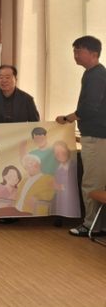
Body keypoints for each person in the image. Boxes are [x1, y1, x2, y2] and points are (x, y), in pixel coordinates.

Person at [56, 35, 106, 237]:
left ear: (93, 53)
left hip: (96, 136)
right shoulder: (92, 73)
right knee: (97, 181)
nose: (75, 55)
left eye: (79, 51)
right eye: (74, 51)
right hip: (96, 135)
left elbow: (89, 108)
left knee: (91, 182)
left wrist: (67, 118)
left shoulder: (97, 75)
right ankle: (99, 224)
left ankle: (90, 225)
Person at [51, 141, 80, 217]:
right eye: (57, 152)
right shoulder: (57, 169)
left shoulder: (75, 165)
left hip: (73, 203)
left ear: (67, 151)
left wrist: (61, 187)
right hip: (60, 203)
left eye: (62, 151)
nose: (60, 154)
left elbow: (78, 185)